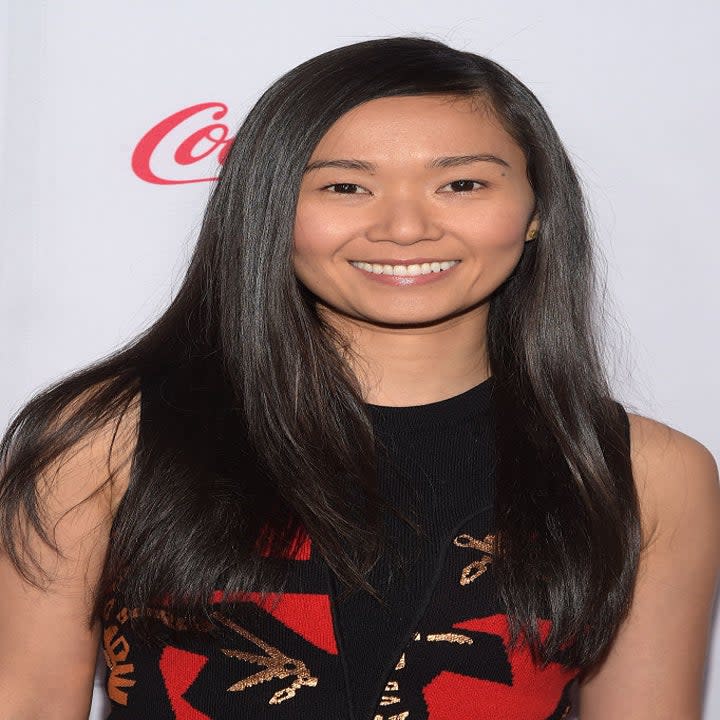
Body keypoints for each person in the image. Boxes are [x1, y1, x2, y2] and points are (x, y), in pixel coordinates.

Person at [0, 36, 718, 720]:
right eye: (346, 187)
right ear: (272, 209)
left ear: (536, 212)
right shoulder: (105, 438)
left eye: (461, 183)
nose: (404, 227)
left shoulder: (645, 473)